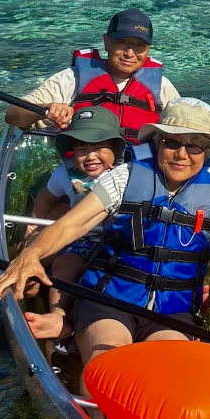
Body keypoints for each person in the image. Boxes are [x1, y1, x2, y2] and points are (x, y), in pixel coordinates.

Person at [0, 97, 210, 403]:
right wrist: (31, 254)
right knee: (110, 365)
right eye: (172, 142)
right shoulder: (124, 177)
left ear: (208, 151)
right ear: (157, 141)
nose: (181, 154)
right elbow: (70, 225)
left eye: (195, 146)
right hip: (109, 298)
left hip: (172, 312)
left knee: (166, 377)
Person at [25, 107, 127, 340]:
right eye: (82, 149)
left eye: (99, 147)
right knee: (63, 266)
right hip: (83, 237)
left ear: (116, 149)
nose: (90, 156)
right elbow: (46, 199)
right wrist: (33, 226)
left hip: (122, 241)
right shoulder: (65, 174)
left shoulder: (129, 172)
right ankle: (58, 315)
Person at [4, 9, 179, 138]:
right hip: (84, 167)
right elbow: (13, 116)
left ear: (148, 49)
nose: (130, 53)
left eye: (139, 45)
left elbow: (184, 131)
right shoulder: (71, 79)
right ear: (106, 42)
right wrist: (47, 108)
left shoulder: (162, 87)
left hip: (139, 168)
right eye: (123, 42)